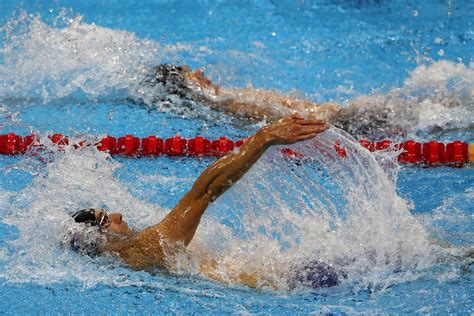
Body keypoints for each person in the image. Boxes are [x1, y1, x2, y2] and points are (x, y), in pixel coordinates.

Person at [70, 114, 337, 289]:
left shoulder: (129, 258)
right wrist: (263, 138)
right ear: (100, 238)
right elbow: (205, 192)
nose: (116, 214)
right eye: (106, 219)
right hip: (299, 282)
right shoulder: (143, 248)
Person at [143, 64, 396, 137]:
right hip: (338, 121)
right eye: (192, 74)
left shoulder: (227, 97)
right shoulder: (227, 104)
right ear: (189, 88)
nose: (200, 72)